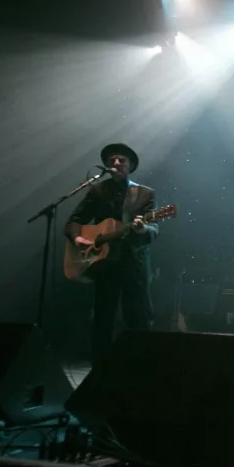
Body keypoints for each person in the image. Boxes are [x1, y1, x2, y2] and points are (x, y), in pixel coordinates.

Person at [66, 143, 159, 361]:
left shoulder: (144, 194)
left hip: (134, 262)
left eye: (122, 160)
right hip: (104, 263)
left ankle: (139, 366)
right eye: (112, 160)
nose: (116, 163)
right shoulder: (97, 191)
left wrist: (143, 228)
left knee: (138, 317)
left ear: (131, 165)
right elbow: (74, 221)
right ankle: (99, 369)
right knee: (102, 318)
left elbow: (155, 229)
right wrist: (78, 238)